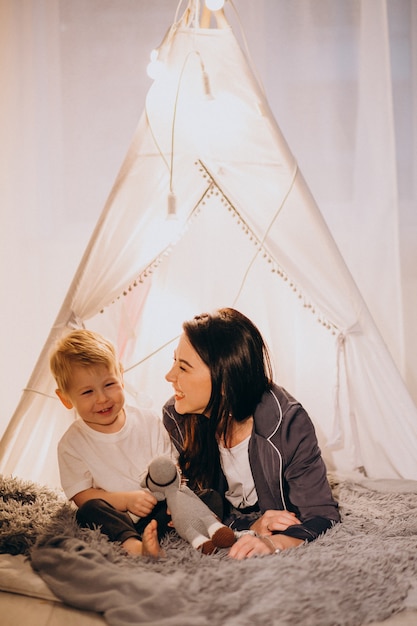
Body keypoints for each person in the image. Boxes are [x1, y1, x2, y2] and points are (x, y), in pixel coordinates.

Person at [163, 307, 340, 560]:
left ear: (224, 381)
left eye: (183, 367)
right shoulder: (176, 417)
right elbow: (198, 509)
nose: (169, 376)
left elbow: (322, 513)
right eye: (174, 362)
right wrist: (248, 528)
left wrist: (275, 543)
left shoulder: (289, 423)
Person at [50, 329, 176, 557]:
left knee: (205, 496)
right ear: (65, 398)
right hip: (118, 517)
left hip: (156, 508)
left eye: (109, 384)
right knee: (88, 511)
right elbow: (81, 495)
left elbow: (170, 466)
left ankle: (186, 531)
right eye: (87, 391)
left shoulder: (147, 420)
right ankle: (134, 546)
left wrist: (171, 497)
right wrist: (126, 500)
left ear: (121, 375)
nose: (102, 398)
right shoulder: (72, 443)